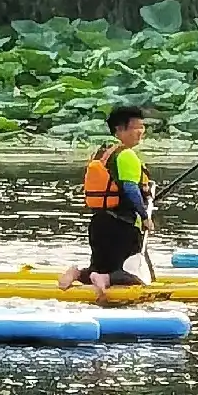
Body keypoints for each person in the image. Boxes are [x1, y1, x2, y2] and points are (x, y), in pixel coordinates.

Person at [59, 106, 154, 297]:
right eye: (135, 127)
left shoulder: (102, 153)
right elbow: (129, 188)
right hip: (121, 225)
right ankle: (106, 280)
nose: (140, 132)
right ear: (119, 129)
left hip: (99, 223)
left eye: (142, 127)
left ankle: (79, 274)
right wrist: (145, 217)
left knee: (101, 266)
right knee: (140, 277)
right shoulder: (126, 155)